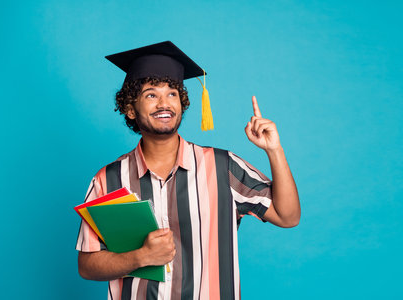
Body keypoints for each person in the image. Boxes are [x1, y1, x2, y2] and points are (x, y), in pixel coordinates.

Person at [76, 41, 300, 300]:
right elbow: (87, 265)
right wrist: (140, 257)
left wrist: (274, 150)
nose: (164, 103)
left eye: (172, 93)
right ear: (130, 108)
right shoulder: (108, 180)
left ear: (182, 103)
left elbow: (288, 216)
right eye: (151, 94)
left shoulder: (223, 167)